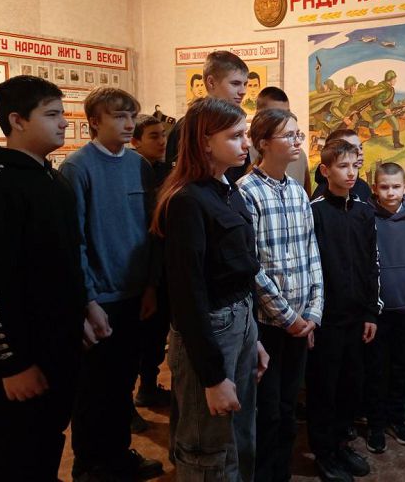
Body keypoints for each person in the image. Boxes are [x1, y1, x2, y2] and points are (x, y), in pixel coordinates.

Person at [152, 97, 266, 481]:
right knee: (206, 446)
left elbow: (242, 270)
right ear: (204, 142)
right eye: (234, 136)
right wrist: (213, 377)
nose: (245, 143)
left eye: (244, 134)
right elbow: (187, 296)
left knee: (239, 434)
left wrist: (254, 337)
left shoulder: (227, 188)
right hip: (212, 328)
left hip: (240, 320)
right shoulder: (187, 200)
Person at [0, 76, 85, 481]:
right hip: (21, 355)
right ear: (17, 120)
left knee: (46, 437)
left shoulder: (50, 178)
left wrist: (86, 308)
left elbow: (64, 260)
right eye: (52, 114)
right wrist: (12, 363)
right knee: (16, 447)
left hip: (56, 344)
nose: (64, 122)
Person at [60, 87, 163, 481]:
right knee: (92, 389)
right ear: (94, 122)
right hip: (101, 298)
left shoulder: (139, 165)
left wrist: (151, 285)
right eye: (118, 116)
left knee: (122, 383)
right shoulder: (77, 168)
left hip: (136, 294)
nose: (128, 123)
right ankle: (89, 465)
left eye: (131, 115)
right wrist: (88, 301)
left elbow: (151, 230)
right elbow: (74, 242)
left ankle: (118, 456)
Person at [239, 108, 324, 482]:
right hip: (268, 325)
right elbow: (252, 266)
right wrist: (289, 318)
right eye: (288, 135)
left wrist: (313, 313)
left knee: (289, 407)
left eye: (298, 134)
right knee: (267, 411)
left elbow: (312, 253)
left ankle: (281, 473)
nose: (297, 141)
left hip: (302, 322)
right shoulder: (246, 192)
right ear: (263, 143)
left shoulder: (297, 191)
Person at [307, 139, 380, 482]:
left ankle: (340, 443)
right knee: (325, 386)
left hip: (356, 315)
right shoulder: (315, 211)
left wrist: (370, 312)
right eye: (342, 166)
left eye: (355, 166)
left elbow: (371, 265)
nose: (351, 173)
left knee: (352, 383)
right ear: (325, 170)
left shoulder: (364, 211)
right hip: (326, 317)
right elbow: (310, 266)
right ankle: (324, 451)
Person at [365, 162, 405, 454]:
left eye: (396, 187)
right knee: (376, 370)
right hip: (377, 312)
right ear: (375, 189)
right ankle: (376, 424)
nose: (390, 193)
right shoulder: (367, 219)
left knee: (402, 367)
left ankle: (396, 418)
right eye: (384, 187)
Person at [130, 115, 171, 427]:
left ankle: (148, 386)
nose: (162, 141)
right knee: (136, 340)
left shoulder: (166, 171)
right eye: (153, 136)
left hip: (163, 267)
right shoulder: (132, 173)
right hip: (140, 269)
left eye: (163, 135)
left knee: (156, 335)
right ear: (136, 141)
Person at [166, 50, 251, 180]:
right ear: (211, 82)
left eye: (245, 84)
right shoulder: (189, 125)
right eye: (235, 83)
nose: (243, 91)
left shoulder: (237, 122)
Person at [251, 86, 312, 195]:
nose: (284, 120)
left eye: (287, 113)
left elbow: (306, 192)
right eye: (276, 115)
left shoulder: (299, 154)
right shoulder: (243, 152)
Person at [311, 128, 371, 202]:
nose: (360, 152)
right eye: (351, 148)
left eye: (360, 147)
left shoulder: (363, 187)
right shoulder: (321, 196)